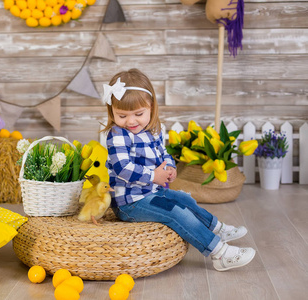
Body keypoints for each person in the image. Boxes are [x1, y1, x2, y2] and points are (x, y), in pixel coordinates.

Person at [102, 68, 255, 271]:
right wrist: (153, 175)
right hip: (131, 203)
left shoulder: (152, 131)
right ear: (111, 111)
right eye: (122, 115)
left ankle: (217, 229)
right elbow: (122, 168)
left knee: (185, 200)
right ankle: (220, 254)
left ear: (151, 107)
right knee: (176, 213)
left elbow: (163, 153)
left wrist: (170, 167)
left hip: (152, 191)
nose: (131, 121)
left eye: (138, 114)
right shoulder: (118, 134)